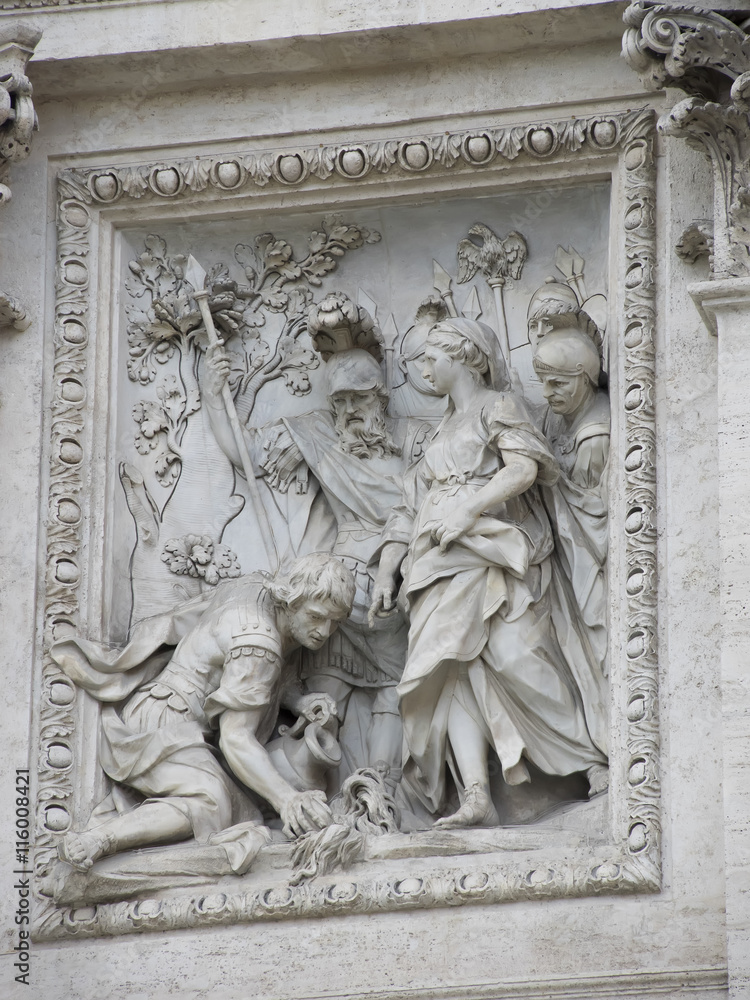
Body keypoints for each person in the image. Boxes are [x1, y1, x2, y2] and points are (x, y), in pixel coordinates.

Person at [370, 318, 607, 829]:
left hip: (494, 550)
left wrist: (470, 508)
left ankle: (592, 761)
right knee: (450, 669)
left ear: (462, 356)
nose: (425, 369)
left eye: (433, 357)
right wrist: (387, 569)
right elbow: (409, 506)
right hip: (435, 560)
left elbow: (524, 469)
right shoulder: (435, 432)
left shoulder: (496, 406)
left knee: (519, 655)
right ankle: (475, 794)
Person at [202, 294, 434, 791]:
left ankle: (383, 786)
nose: (350, 411)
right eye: (341, 402)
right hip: (341, 582)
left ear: (382, 396)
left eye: (360, 399)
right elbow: (248, 453)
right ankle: (314, 788)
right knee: (325, 685)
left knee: (397, 679)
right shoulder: (315, 435)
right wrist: (211, 393)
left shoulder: (419, 440)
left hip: (403, 574)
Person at [50, 553, 355, 871]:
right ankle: (99, 839)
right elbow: (236, 738)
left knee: (242, 803)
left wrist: (298, 701)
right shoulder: (260, 642)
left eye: (336, 623)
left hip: (170, 715)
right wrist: (287, 800)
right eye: (317, 616)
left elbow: (236, 671)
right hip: (166, 724)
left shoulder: (254, 588)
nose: (325, 631)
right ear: (290, 599)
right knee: (212, 802)